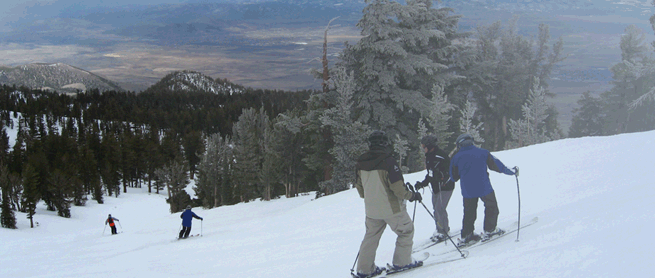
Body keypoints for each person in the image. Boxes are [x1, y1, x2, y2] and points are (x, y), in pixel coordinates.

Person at [353, 130, 422, 278]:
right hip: (392, 209)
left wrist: (371, 197)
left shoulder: (361, 161)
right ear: (385, 144)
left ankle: (364, 269)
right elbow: (398, 189)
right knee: (406, 231)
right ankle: (402, 262)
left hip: (371, 210)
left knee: (371, 237)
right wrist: (411, 195)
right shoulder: (389, 161)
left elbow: (360, 188)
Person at [449, 133, 517, 246]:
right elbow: (498, 166)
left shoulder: (456, 157)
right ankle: (490, 230)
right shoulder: (483, 153)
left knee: (469, 213)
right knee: (491, 207)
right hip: (484, 187)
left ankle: (467, 235)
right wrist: (512, 171)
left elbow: (453, 177)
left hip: (468, 190)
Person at [415, 134, 455, 243]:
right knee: (436, 209)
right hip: (435, 187)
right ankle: (439, 229)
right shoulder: (429, 157)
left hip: (446, 187)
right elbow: (430, 174)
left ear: (430, 145)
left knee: (439, 208)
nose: (423, 148)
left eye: (424, 146)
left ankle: (444, 231)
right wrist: (422, 184)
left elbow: (451, 171)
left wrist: (443, 179)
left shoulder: (441, 156)